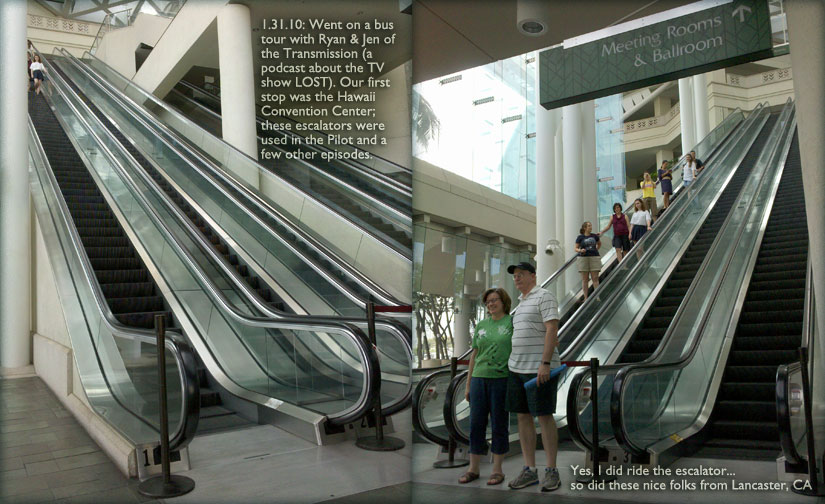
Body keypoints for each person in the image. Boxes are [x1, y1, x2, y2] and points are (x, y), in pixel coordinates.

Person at [504, 262, 561, 493]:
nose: (517, 278)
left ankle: (551, 470)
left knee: (545, 416)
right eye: (515, 276)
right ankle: (529, 469)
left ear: (533, 276)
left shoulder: (544, 296)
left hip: (538, 369)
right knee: (523, 417)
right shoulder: (520, 303)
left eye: (521, 275)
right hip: (516, 369)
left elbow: (551, 329)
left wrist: (545, 363)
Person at [458, 288, 513, 486]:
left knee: (499, 424)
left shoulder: (511, 323)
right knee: (476, 424)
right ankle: (473, 468)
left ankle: (497, 470)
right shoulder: (482, 324)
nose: (491, 304)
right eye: (488, 301)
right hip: (479, 379)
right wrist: (468, 384)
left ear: (503, 301)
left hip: (502, 379)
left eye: (494, 300)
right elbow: (475, 355)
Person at [574, 222, 601, 301]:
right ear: (585, 228)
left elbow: (599, 244)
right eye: (589, 226)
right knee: (585, 279)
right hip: (583, 258)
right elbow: (575, 248)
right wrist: (580, 250)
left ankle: (597, 296)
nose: (590, 227)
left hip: (594, 257)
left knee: (595, 278)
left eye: (591, 225)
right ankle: (586, 297)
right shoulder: (580, 237)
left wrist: (595, 250)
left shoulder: (595, 236)